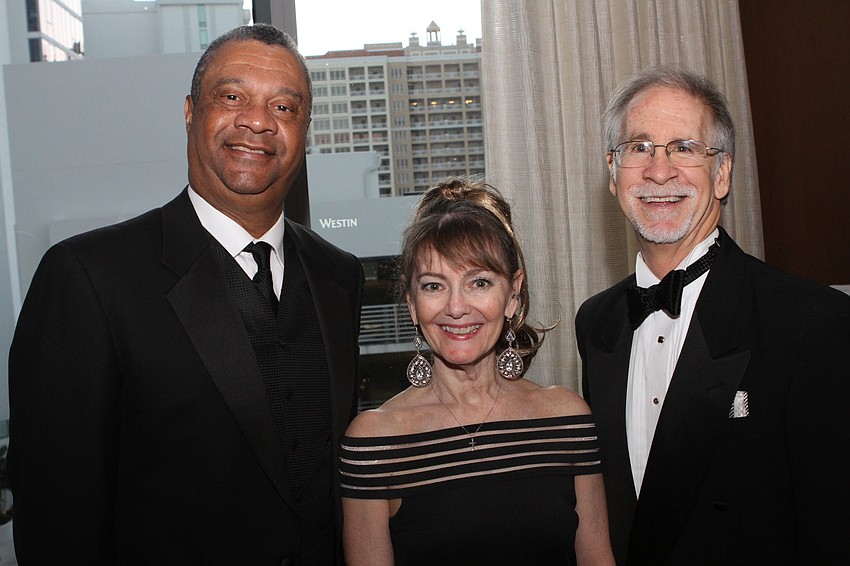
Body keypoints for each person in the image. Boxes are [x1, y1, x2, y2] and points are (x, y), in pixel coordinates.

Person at [8, 24, 363, 565]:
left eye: (285, 108)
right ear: (190, 111)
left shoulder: (339, 277)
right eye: (232, 96)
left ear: (305, 131)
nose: (258, 122)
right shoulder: (87, 279)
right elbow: (58, 519)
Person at [576, 66, 850, 565]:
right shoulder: (596, 323)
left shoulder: (813, 322)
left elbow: (833, 529)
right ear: (613, 175)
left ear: (722, 173)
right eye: (638, 148)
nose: (659, 171)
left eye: (684, 147)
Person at [340, 178, 615, 566]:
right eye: (435, 286)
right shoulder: (374, 442)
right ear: (412, 304)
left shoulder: (567, 419)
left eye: (479, 282)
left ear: (513, 293)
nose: (456, 307)